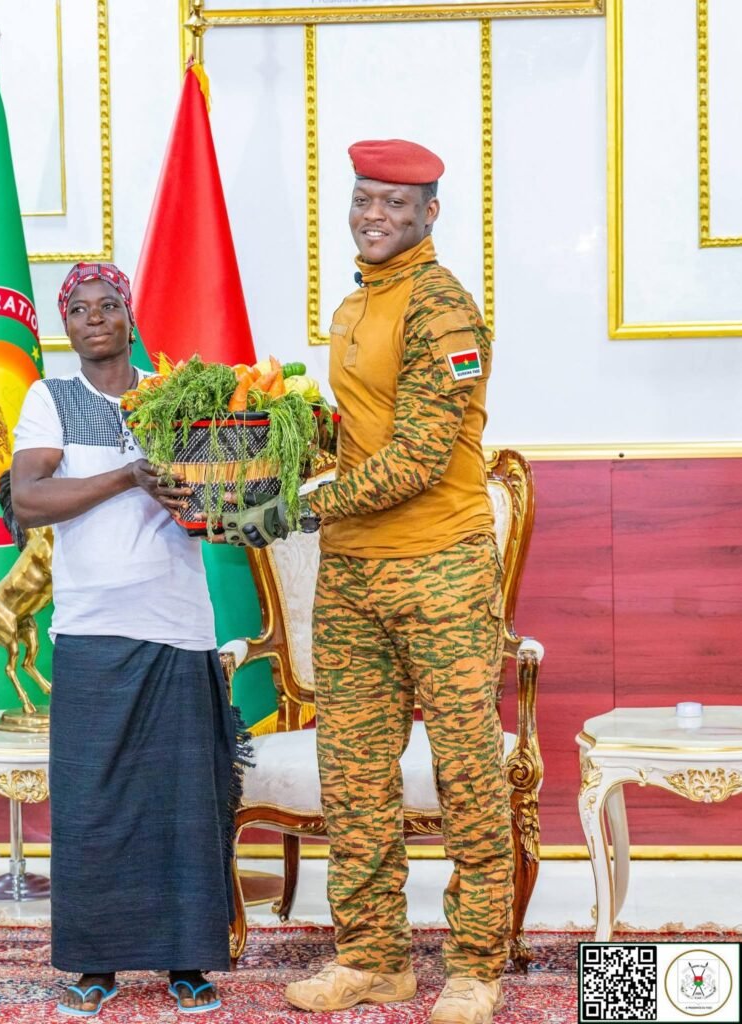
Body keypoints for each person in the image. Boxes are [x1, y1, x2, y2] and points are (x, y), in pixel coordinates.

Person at [223, 140, 512, 1024]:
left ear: (430, 213)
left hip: (441, 568)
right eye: (363, 199)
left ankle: (476, 966)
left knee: (466, 773)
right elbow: (356, 436)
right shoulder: (355, 304)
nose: (373, 216)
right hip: (352, 578)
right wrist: (267, 445)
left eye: (394, 203)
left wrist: (299, 509)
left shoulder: (443, 310)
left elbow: (419, 457)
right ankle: (373, 959)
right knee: (352, 777)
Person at [11, 262, 249, 1017]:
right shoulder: (50, 399)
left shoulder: (171, 397)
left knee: (186, 801)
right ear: (65, 325)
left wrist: (232, 495)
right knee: (93, 801)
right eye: (79, 308)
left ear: (129, 314)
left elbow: (219, 500)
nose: (94, 318)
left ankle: (188, 962)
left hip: (178, 623)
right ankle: (94, 964)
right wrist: (128, 476)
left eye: (107, 304)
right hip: (91, 627)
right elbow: (28, 499)